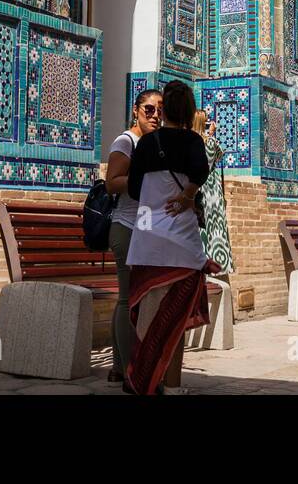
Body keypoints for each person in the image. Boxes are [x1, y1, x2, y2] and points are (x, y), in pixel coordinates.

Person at [124, 80, 218, 394]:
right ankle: (173, 385)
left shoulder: (146, 144)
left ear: (164, 111)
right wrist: (188, 195)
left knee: (148, 319)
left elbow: (135, 190)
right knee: (174, 320)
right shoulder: (193, 141)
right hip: (182, 244)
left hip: (148, 241)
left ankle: (141, 379)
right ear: (189, 111)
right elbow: (201, 173)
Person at [103, 88, 162, 384]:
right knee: (130, 300)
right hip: (125, 228)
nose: (155, 115)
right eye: (149, 109)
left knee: (127, 298)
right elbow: (112, 183)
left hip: (144, 230)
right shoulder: (126, 141)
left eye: (160, 110)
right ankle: (131, 375)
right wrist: (144, 179)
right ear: (136, 110)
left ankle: (117, 366)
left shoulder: (153, 143)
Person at [192, 110, 235, 275]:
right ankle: (218, 264)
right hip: (213, 193)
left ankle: (199, 263)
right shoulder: (211, 142)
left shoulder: (189, 143)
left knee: (200, 228)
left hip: (196, 190)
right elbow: (218, 156)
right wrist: (210, 133)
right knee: (214, 228)